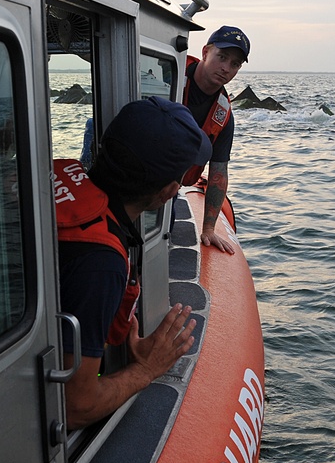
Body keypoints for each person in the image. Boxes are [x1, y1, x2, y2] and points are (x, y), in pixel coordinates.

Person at [55, 97, 212, 429]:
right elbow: (75, 407)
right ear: (169, 191)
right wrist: (147, 369)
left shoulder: (57, 181)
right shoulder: (101, 264)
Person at [182, 25, 250, 254]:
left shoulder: (224, 115)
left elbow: (218, 171)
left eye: (235, 64)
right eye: (222, 57)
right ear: (205, 52)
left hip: (166, 189)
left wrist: (208, 229)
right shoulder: (170, 75)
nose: (226, 68)